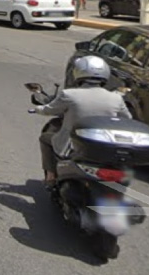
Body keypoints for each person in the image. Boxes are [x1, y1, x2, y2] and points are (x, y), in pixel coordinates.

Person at [35, 56, 134, 184]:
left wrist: (38, 109)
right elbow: (127, 119)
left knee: (45, 139)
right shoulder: (116, 98)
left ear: (78, 73)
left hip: (72, 146)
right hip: (104, 146)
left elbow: (48, 110)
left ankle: (50, 176)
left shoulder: (69, 94)